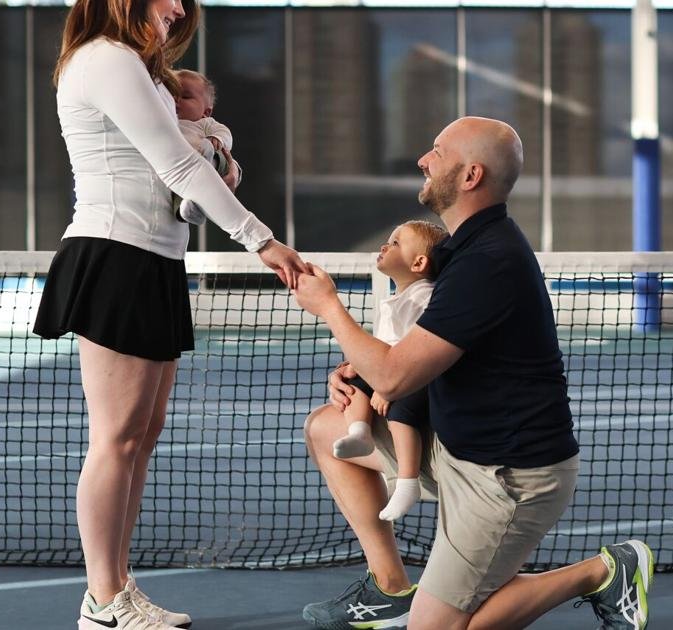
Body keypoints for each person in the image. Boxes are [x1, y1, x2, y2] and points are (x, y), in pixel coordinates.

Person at [292, 116, 654, 630]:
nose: (423, 159)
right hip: (458, 453)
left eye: (437, 152)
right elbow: (410, 362)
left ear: (470, 176)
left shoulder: (488, 262)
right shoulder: (461, 253)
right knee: (327, 427)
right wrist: (361, 375)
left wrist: (329, 307)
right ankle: (392, 590)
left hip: (510, 481)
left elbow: (396, 377)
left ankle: (601, 572)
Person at [31, 0, 308, 628]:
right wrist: (262, 240)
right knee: (117, 438)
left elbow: (187, 180)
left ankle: (116, 590)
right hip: (113, 255)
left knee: (141, 435)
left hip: (154, 260)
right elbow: (176, 167)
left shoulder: (144, 71)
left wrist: (218, 154)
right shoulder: (106, 58)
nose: (179, 8)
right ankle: (104, 602)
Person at [333, 219, 447, 522]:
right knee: (354, 382)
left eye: (396, 243)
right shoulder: (395, 299)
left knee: (401, 413)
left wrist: (385, 388)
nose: (385, 245)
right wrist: (357, 367)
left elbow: (415, 353)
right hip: (394, 373)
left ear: (419, 262)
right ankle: (360, 432)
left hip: (420, 379)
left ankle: (408, 481)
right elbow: (383, 348)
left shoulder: (425, 297)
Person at [171, 69, 234, 226]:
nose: (175, 100)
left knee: (218, 159)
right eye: (171, 94)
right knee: (179, 191)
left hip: (208, 160)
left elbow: (225, 133)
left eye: (185, 96)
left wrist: (216, 139)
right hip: (182, 169)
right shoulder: (167, 122)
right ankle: (193, 209)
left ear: (206, 112)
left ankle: (198, 204)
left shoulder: (205, 124)